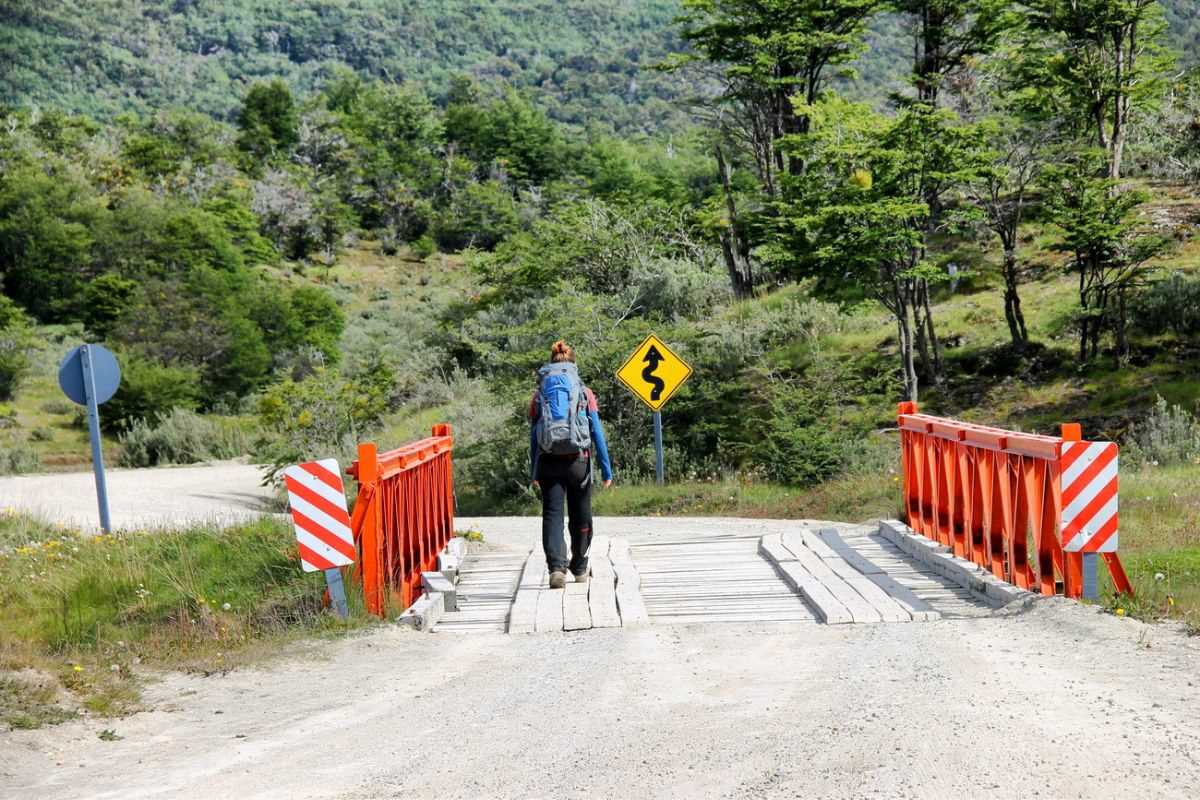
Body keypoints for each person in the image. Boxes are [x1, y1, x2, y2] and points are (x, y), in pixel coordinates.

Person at [530, 340, 613, 589]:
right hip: (579, 460)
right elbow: (596, 432)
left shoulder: (540, 394)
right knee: (581, 514)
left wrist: (533, 469)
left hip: (548, 461)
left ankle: (557, 568)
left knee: (553, 515)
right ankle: (579, 567)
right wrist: (607, 469)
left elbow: (534, 436)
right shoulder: (584, 392)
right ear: (573, 364)